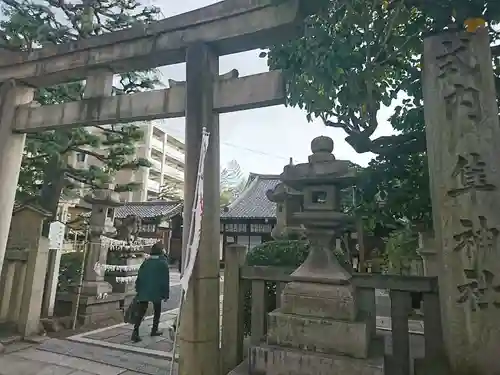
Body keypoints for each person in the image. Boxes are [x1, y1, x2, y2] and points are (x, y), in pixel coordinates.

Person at [131, 242, 170, 342]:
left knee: (141, 311)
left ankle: (135, 331)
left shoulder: (146, 262)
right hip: (157, 291)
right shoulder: (163, 262)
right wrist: (165, 294)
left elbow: (140, 275)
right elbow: (165, 280)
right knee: (157, 310)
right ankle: (154, 329)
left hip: (144, 289)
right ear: (161, 251)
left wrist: (138, 288)